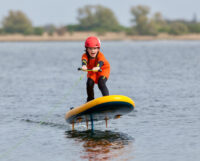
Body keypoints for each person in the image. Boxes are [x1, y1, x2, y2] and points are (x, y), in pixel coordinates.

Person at [81, 36, 110, 102]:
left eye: (95, 48)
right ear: (87, 49)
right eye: (90, 49)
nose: (93, 50)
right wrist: (84, 66)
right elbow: (84, 61)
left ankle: (107, 99)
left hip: (103, 69)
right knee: (89, 83)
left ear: (98, 49)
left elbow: (101, 62)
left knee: (101, 82)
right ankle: (90, 100)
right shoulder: (84, 55)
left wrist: (98, 67)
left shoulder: (100, 55)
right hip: (92, 71)